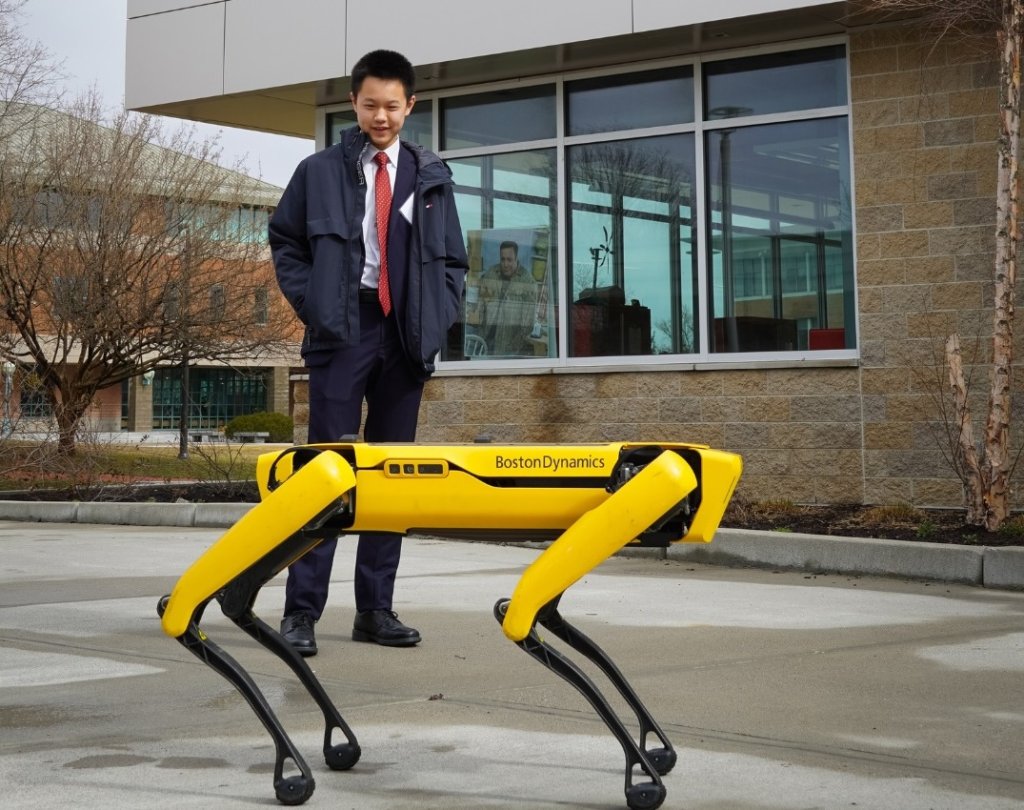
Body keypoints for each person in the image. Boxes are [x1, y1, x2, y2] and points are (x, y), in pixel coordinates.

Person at [268, 49, 467, 655]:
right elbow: (286, 241)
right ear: (354, 103)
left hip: (404, 337)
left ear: (410, 105)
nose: (381, 115)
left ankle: (375, 609)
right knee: (325, 472)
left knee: (390, 477)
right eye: (370, 104)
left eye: (393, 105)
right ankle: (301, 612)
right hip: (343, 329)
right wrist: (320, 307)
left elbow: (453, 260)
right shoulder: (318, 171)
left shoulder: (431, 176)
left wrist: (437, 319)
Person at [477, 240, 537, 356]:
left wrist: (512, 348)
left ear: (516, 258)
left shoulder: (528, 282)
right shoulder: (491, 274)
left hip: (508, 349)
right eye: (502, 259)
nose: (505, 264)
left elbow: (528, 325)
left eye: (509, 260)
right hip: (483, 343)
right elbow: (480, 307)